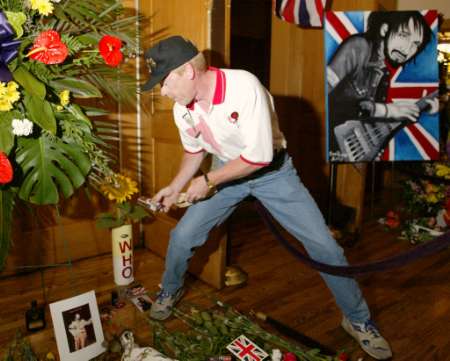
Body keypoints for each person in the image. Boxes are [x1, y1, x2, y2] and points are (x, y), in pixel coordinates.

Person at [141, 35, 392, 360]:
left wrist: (208, 180)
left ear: (188, 71)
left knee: (325, 247)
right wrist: (175, 187)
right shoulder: (181, 109)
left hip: (272, 173)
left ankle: (358, 320)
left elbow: (257, 157)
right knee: (182, 235)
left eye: (164, 81)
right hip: (224, 171)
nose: (162, 92)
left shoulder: (244, 87)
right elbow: (193, 152)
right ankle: (169, 291)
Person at [327, 11, 438, 161]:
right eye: (404, 35)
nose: (407, 50)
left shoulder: (383, 72)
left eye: (415, 45)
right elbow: (324, 96)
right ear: (384, 29)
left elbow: (371, 119)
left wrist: (422, 109)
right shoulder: (358, 47)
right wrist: (387, 110)